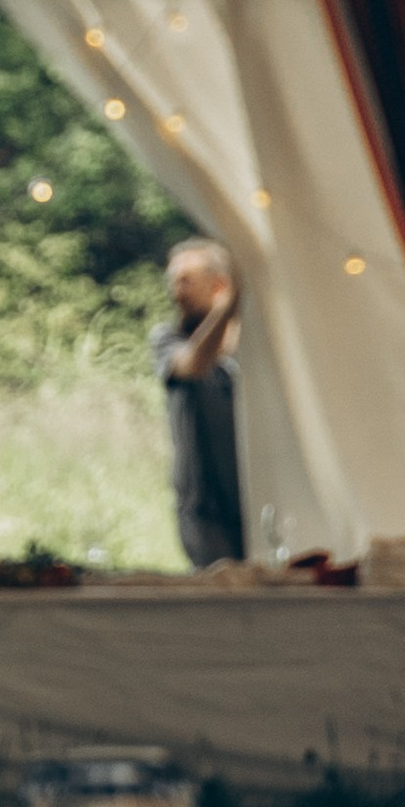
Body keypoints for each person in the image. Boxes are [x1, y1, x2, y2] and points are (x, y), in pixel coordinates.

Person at [150, 236, 246, 568]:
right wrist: (230, 306)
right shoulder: (167, 339)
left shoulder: (255, 344)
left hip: (253, 495)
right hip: (203, 507)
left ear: (218, 284)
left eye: (186, 281)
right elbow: (194, 363)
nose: (176, 292)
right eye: (173, 281)